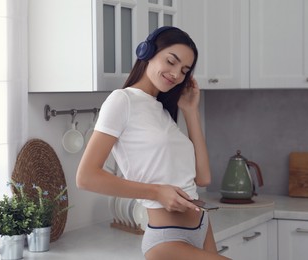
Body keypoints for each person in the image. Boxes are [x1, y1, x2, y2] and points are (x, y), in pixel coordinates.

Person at [76, 26, 230, 260]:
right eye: (171, 61)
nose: (177, 74)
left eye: (184, 70)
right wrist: (157, 192)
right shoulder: (122, 101)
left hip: (202, 226)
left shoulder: (162, 111)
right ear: (147, 52)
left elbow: (203, 178)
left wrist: (190, 111)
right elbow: (86, 177)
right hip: (167, 239)